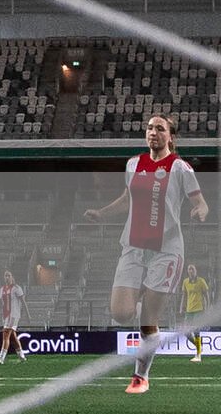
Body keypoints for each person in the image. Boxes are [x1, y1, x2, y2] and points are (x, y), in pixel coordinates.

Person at [87, 114, 208, 393]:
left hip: (166, 251)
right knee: (121, 313)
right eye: (150, 128)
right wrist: (102, 214)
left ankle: (141, 376)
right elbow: (127, 198)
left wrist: (200, 211)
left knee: (147, 321)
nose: (153, 132)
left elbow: (200, 202)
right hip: (133, 247)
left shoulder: (180, 167)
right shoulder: (133, 163)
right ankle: (143, 295)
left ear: (171, 137)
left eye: (160, 128)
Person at [0, 270, 27, 364]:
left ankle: (1, 357)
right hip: (6, 315)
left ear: (12, 277)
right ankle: (21, 356)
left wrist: (28, 314)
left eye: (8, 276)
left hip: (14, 315)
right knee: (13, 337)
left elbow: (23, 301)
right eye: (5, 276)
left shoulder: (16, 288)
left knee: (5, 334)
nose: (7, 277)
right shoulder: (2, 289)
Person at [182, 262, 210, 363]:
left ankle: (198, 355)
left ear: (196, 270)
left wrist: (207, 307)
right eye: (189, 269)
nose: (191, 271)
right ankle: (199, 347)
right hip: (189, 310)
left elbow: (206, 295)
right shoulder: (185, 282)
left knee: (196, 331)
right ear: (187, 271)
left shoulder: (201, 281)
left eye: (192, 269)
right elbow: (184, 295)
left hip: (199, 309)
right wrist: (182, 307)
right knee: (186, 332)